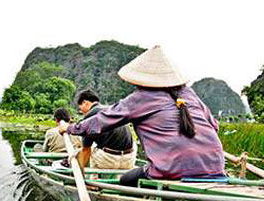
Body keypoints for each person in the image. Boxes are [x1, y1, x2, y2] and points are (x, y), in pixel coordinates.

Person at [59, 45, 225, 187]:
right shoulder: (190, 94)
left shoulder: (141, 98)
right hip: (216, 166)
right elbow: (214, 126)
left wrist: (70, 128)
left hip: (170, 168)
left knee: (125, 180)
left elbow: (101, 121)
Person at [75, 89, 136, 170]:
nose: (81, 111)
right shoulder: (113, 109)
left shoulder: (90, 116)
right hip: (129, 159)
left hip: (109, 160)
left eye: (80, 107)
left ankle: (93, 180)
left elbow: (86, 150)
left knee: (90, 149)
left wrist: (79, 170)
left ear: (85, 103)